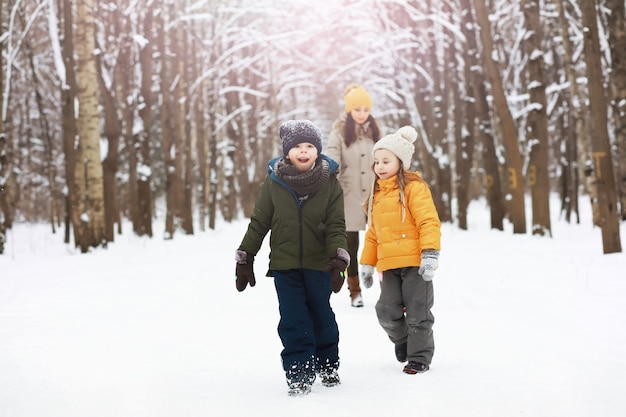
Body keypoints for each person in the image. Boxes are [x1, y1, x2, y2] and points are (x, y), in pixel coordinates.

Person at [234, 120, 349, 396]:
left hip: (320, 264)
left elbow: (335, 225)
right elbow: (259, 221)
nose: (303, 151)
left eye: (309, 146)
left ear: (317, 150)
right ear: (287, 152)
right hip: (285, 267)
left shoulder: (330, 183)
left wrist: (338, 258)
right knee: (293, 318)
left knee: (321, 315)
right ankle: (299, 372)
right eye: (297, 146)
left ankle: (327, 364)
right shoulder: (274, 183)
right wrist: (245, 256)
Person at [359, 125, 441, 375]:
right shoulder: (376, 196)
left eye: (386, 161)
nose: (380, 167)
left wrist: (430, 253)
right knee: (386, 310)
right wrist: (366, 263)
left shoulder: (415, 188)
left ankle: (419, 357)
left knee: (418, 312)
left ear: (401, 162)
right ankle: (403, 340)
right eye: (376, 162)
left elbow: (428, 221)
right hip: (389, 264)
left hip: (415, 262)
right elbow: (374, 233)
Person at [326, 83, 381, 307]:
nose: (361, 114)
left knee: (383, 242)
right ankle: (355, 290)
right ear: (349, 109)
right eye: (357, 109)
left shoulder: (375, 131)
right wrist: (331, 177)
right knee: (351, 245)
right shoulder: (339, 131)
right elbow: (332, 157)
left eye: (365, 109)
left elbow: (386, 155)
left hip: (375, 195)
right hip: (349, 195)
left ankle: (389, 289)